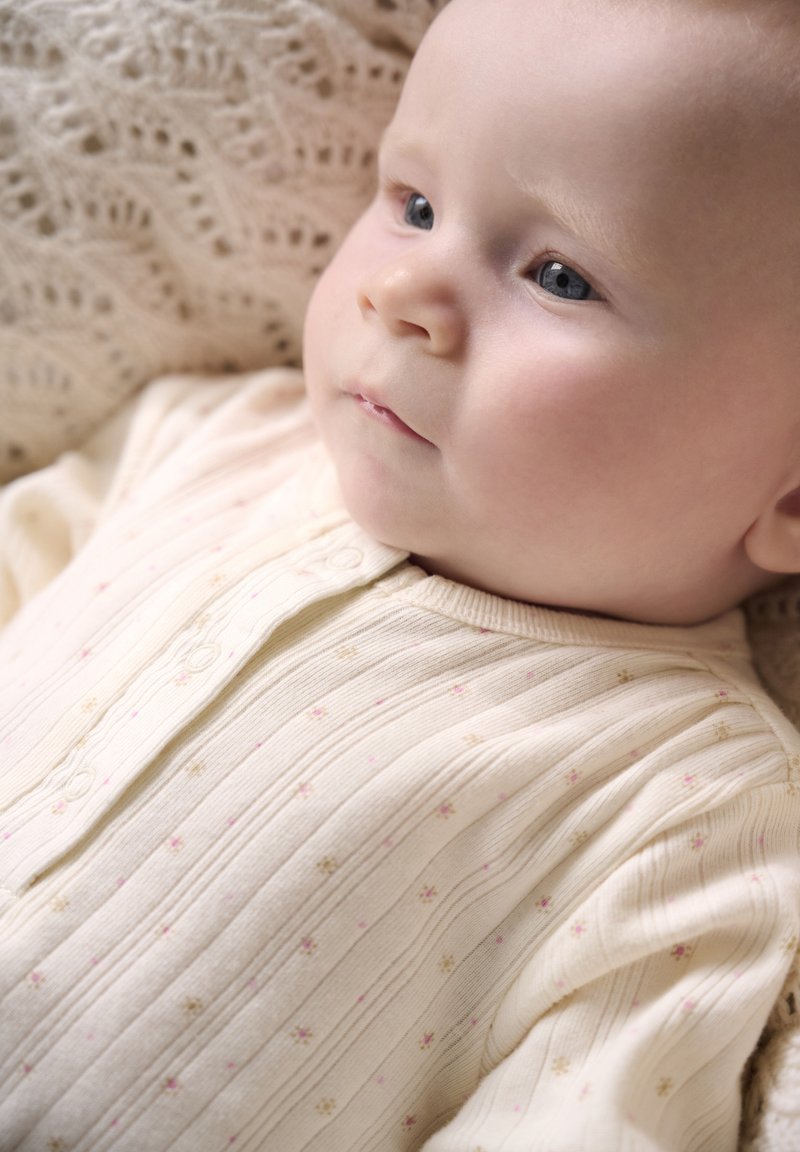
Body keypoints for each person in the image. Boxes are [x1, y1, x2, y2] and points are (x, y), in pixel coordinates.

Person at [1, 0, 799, 1148]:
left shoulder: (690, 809)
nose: (400, 294)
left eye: (559, 276)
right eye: (414, 205)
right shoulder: (205, 442)